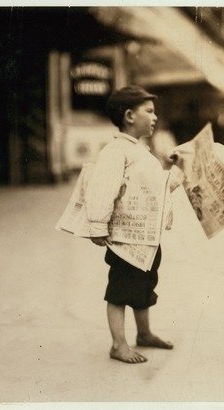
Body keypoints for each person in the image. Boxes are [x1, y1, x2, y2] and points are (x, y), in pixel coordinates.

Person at [85, 86, 174, 364]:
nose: (155, 117)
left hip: (146, 237)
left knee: (144, 284)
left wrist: (169, 168)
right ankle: (118, 344)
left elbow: (151, 185)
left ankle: (144, 333)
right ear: (129, 116)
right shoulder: (115, 151)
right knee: (121, 289)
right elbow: (103, 188)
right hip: (125, 238)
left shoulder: (141, 151)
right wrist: (98, 225)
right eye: (149, 111)